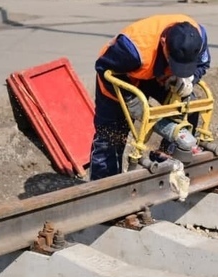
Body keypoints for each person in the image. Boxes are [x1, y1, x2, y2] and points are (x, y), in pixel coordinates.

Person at [90, 14, 211, 180]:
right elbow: (103, 67)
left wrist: (190, 78)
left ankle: (165, 160)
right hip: (122, 76)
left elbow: (203, 64)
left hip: (157, 74)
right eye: (176, 64)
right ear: (163, 43)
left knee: (188, 107)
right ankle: (103, 189)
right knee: (111, 135)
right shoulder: (133, 49)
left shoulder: (199, 37)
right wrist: (131, 101)